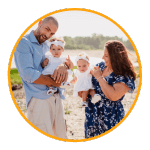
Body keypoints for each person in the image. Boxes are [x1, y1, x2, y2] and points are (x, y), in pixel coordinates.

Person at [14, 16, 68, 139]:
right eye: (46, 29)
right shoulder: (23, 42)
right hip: (38, 100)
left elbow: (59, 58)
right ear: (39, 23)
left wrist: (62, 65)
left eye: (52, 33)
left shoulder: (48, 45)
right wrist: (54, 83)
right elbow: (28, 73)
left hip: (56, 97)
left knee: (61, 135)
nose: (48, 34)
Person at [82, 40, 136, 138]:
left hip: (110, 118)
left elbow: (113, 96)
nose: (103, 58)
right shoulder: (101, 66)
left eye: (106, 56)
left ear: (116, 57)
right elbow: (85, 77)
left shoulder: (123, 74)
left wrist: (99, 77)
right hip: (92, 115)